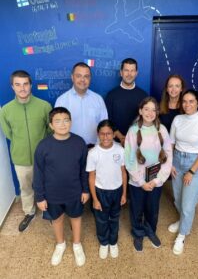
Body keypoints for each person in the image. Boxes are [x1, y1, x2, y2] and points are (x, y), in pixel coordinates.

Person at [33, 107, 89, 267]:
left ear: (71, 122)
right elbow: (38, 172)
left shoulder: (79, 142)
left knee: (76, 218)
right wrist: (40, 196)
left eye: (66, 120)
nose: (62, 124)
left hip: (75, 192)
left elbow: (84, 169)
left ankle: (77, 244)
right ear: (51, 125)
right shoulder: (43, 146)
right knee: (56, 220)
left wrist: (85, 189)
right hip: (52, 194)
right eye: (57, 121)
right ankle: (60, 243)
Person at [0, 70, 51, 232]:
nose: (22, 88)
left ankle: (49, 211)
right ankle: (29, 212)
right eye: (18, 85)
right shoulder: (6, 110)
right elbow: (9, 134)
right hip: (21, 158)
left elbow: (50, 132)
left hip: (43, 159)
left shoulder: (44, 106)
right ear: (12, 87)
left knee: (47, 186)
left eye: (25, 84)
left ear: (30, 85)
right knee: (26, 188)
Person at [169, 89, 198, 255]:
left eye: (191, 101)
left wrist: (191, 171)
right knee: (178, 198)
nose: (187, 105)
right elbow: (171, 143)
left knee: (188, 204)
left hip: (195, 164)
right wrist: (171, 163)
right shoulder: (177, 119)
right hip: (177, 161)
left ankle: (182, 235)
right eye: (184, 101)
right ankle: (182, 221)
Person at [124, 97, 172, 251]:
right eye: (146, 109)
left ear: (157, 112)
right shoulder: (133, 131)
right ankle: (138, 233)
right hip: (137, 182)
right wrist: (141, 182)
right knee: (137, 208)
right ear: (140, 111)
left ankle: (150, 231)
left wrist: (157, 180)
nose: (150, 113)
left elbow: (168, 156)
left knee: (152, 208)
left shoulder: (162, 130)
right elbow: (129, 158)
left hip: (155, 181)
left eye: (154, 110)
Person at [86, 120, 127, 259]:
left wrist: (124, 193)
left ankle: (113, 242)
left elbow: (123, 173)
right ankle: (104, 243)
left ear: (113, 134)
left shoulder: (120, 150)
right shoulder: (93, 153)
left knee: (115, 218)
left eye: (109, 134)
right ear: (98, 134)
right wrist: (95, 199)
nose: (105, 137)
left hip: (117, 190)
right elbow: (91, 177)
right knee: (101, 219)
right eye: (102, 134)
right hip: (100, 192)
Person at [55, 62, 108, 147]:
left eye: (86, 76)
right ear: (72, 77)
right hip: (70, 149)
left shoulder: (98, 100)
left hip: (94, 150)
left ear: (90, 78)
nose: (82, 80)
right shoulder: (62, 101)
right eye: (78, 76)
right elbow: (57, 129)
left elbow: (105, 126)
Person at [105, 58, 148, 146]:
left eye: (132, 71)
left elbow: (146, 120)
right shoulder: (111, 95)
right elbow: (108, 120)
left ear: (136, 73)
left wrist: (132, 139)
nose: (129, 74)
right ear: (121, 73)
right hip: (115, 143)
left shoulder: (144, 96)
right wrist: (121, 138)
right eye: (126, 70)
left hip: (138, 143)